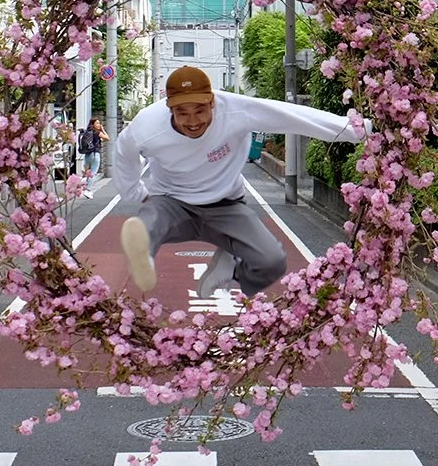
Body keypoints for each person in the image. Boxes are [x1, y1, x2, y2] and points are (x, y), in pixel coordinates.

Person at [115, 65, 367, 299]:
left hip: (226, 205)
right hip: (171, 202)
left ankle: (231, 269)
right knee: (148, 222)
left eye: (200, 111)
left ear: (212, 103)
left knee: (272, 261)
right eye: (183, 113)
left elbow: (292, 116)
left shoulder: (236, 109)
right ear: (169, 108)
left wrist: (359, 131)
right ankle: (143, 256)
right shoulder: (147, 126)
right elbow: (124, 153)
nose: (193, 121)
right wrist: (137, 193)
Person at [79, 118, 109, 198]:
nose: (99, 125)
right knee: (92, 173)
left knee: (87, 173)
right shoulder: (97, 133)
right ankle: (88, 190)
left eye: (99, 123)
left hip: (87, 155)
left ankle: (83, 185)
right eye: (97, 123)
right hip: (95, 155)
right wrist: (102, 130)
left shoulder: (87, 132)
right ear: (93, 125)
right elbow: (107, 138)